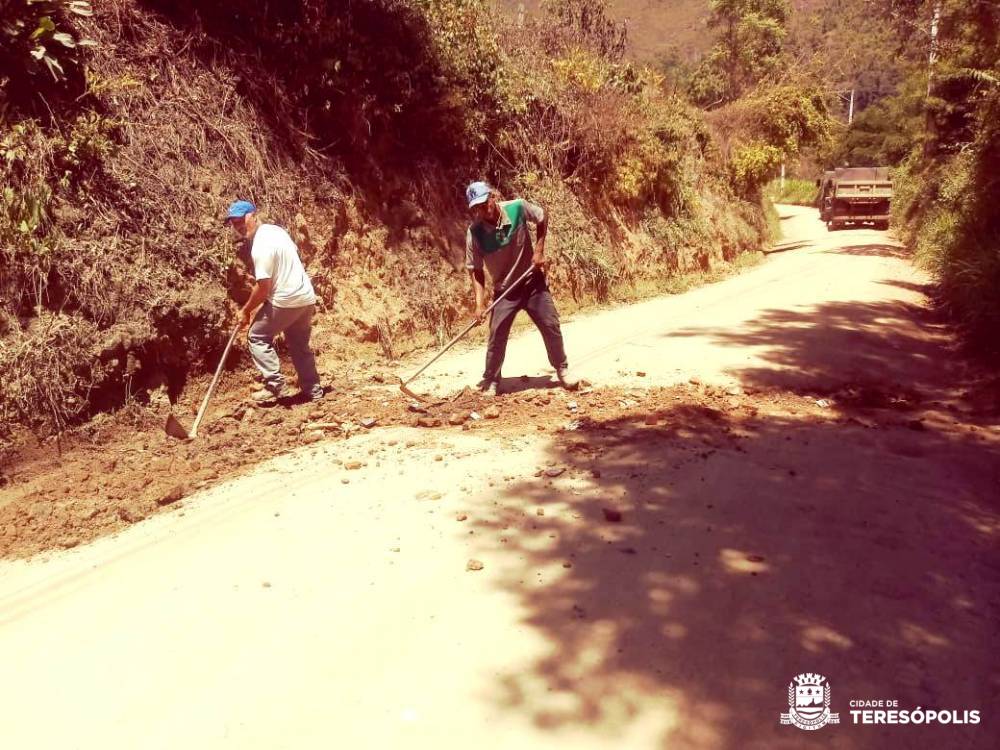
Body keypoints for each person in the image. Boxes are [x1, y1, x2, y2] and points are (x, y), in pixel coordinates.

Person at [464, 181, 578, 396]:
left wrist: (539, 250)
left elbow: (542, 216)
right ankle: (491, 379)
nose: (483, 209)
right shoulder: (475, 233)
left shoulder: (517, 207)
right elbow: (476, 271)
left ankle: (562, 369)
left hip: (532, 282)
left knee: (551, 324)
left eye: (484, 203)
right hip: (505, 291)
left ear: (493, 197)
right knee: (497, 334)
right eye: (476, 207)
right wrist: (479, 304)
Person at [224, 200, 324, 403]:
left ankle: (275, 384)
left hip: (285, 300)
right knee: (299, 344)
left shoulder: (260, 247)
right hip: (306, 297)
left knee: (257, 336)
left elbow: (263, 288)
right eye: (234, 223)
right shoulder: (276, 231)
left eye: (241, 220)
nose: (238, 226)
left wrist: (245, 310)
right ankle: (313, 390)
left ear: (253, 215)